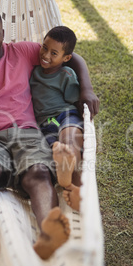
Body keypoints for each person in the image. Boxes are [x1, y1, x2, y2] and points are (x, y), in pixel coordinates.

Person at [0, 7, 99, 259]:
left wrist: (87, 89)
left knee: (37, 172)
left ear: (3, 34)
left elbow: (72, 57)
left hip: (27, 132)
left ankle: (50, 232)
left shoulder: (23, 52)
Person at [30, 26, 84, 211]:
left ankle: (77, 189)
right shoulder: (33, 72)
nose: (46, 55)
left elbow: (76, 102)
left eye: (54, 53)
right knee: (54, 150)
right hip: (44, 124)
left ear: (66, 58)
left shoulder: (66, 75)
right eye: (44, 47)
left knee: (70, 142)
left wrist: (87, 120)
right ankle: (67, 182)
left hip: (65, 114)